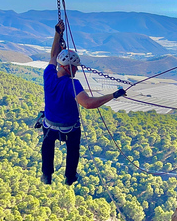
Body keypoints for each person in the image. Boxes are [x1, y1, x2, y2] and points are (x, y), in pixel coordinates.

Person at [41, 20, 126, 185]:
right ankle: (70, 176)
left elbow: (53, 56)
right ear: (68, 68)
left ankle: (46, 174)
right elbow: (87, 103)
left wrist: (57, 34)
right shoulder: (72, 84)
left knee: (47, 145)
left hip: (50, 125)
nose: (77, 70)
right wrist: (113, 95)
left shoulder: (48, 74)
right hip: (69, 128)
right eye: (75, 67)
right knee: (73, 150)